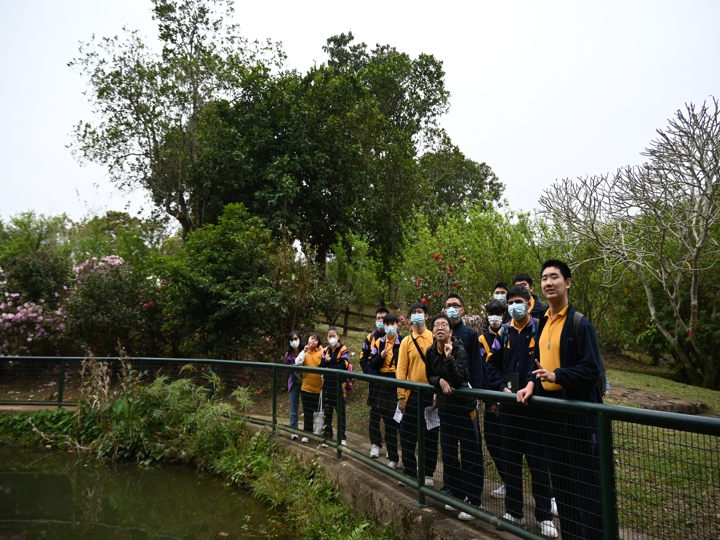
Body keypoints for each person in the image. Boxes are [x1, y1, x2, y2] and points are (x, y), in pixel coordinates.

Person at [517, 260, 603, 540]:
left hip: (577, 420)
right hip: (551, 420)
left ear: (567, 283)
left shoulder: (580, 324)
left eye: (554, 277)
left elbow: (591, 370)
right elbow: (538, 362)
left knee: (587, 490)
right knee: (563, 489)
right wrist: (532, 383)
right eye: (544, 278)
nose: (548, 282)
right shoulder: (542, 323)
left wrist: (558, 375)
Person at [486, 286, 557, 538]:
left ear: (528, 303)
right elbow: (492, 365)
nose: (514, 306)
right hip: (509, 409)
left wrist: (531, 384)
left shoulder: (540, 329)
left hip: (534, 409)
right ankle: (514, 511)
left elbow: (545, 364)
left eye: (519, 301)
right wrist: (502, 389)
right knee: (511, 462)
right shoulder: (504, 332)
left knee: (538, 465)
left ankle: (544, 516)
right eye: (510, 302)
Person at [426, 313, 483, 521]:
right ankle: (458, 494)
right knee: (449, 454)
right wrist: (440, 381)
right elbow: (429, 375)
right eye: (436, 325)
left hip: (465, 410)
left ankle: (474, 500)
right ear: (433, 331)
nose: (440, 327)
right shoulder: (430, 351)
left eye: (444, 325)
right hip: (445, 410)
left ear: (451, 331)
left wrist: (449, 358)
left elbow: (458, 381)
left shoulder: (459, 350)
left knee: (470, 454)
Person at [442, 293, 485, 496]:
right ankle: (453, 487)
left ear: (462, 309)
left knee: (470, 448)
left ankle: (473, 494)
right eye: (448, 305)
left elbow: (476, 366)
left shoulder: (470, 334)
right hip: (447, 400)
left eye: (455, 305)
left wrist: (476, 393)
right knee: (448, 449)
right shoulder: (440, 334)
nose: (452, 308)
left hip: (467, 401)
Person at [396, 301, 438, 486]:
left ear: (426, 316)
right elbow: (401, 370)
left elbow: (439, 367)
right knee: (407, 434)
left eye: (420, 312)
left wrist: (437, 392)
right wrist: (402, 396)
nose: (416, 315)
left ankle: (428, 473)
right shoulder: (406, 341)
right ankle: (409, 471)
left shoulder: (434, 338)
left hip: (431, 395)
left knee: (430, 435)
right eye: (413, 313)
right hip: (412, 395)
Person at [478, 299, 509, 499]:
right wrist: (489, 402)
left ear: (504, 315)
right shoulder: (482, 340)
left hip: (510, 395)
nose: (494, 317)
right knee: (493, 442)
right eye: (491, 313)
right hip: (491, 399)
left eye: (498, 313)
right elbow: (483, 370)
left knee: (512, 444)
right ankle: (507, 481)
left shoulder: (509, 334)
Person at [366, 312, 402, 468]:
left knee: (394, 421)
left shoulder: (403, 342)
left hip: (396, 382)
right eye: (387, 324)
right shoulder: (378, 342)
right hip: (381, 383)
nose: (389, 327)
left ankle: (396, 455)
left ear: (397, 325)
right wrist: (380, 356)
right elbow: (371, 363)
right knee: (383, 417)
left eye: (392, 324)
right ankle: (391, 456)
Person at [360, 307, 389, 459]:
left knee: (390, 416)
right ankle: (375, 444)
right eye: (378, 318)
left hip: (390, 385)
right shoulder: (370, 338)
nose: (380, 321)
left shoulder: (397, 338)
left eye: (383, 318)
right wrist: (372, 375)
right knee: (374, 415)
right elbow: (363, 360)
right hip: (374, 385)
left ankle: (391, 445)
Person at [319, 326, 350, 446]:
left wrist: (329, 366)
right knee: (327, 411)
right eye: (330, 336)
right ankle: (327, 436)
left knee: (340, 412)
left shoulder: (343, 349)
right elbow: (320, 366)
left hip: (339, 386)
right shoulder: (325, 350)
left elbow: (344, 365)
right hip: (327, 385)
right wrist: (326, 362)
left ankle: (342, 437)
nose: (332, 338)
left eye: (333, 336)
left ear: (338, 336)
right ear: (327, 337)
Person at [294, 332, 323, 443]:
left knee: (320, 413)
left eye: (316, 340)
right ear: (308, 340)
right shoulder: (304, 352)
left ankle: (318, 432)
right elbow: (297, 363)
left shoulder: (321, 352)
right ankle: (307, 433)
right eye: (311, 339)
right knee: (307, 412)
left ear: (318, 342)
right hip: (306, 388)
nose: (313, 341)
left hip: (319, 389)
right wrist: (304, 351)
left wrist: (322, 349)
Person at [284, 330, 303, 440]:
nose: (294, 341)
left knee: (308, 407)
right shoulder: (288, 354)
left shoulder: (305, 351)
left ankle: (308, 431)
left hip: (305, 382)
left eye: (296, 339)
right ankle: (294, 430)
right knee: (293, 406)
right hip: (294, 383)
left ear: (299, 339)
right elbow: (286, 368)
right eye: (291, 340)